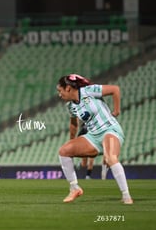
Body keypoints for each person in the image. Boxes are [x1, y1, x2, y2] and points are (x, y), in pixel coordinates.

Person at [56, 74, 133, 204]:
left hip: (109, 129)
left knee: (110, 157)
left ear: (68, 88)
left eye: (60, 91)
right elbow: (74, 124)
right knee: (64, 151)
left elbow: (115, 89)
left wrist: (117, 110)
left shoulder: (88, 91)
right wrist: (71, 140)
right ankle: (74, 188)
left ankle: (126, 196)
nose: (59, 94)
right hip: (93, 136)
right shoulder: (71, 106)